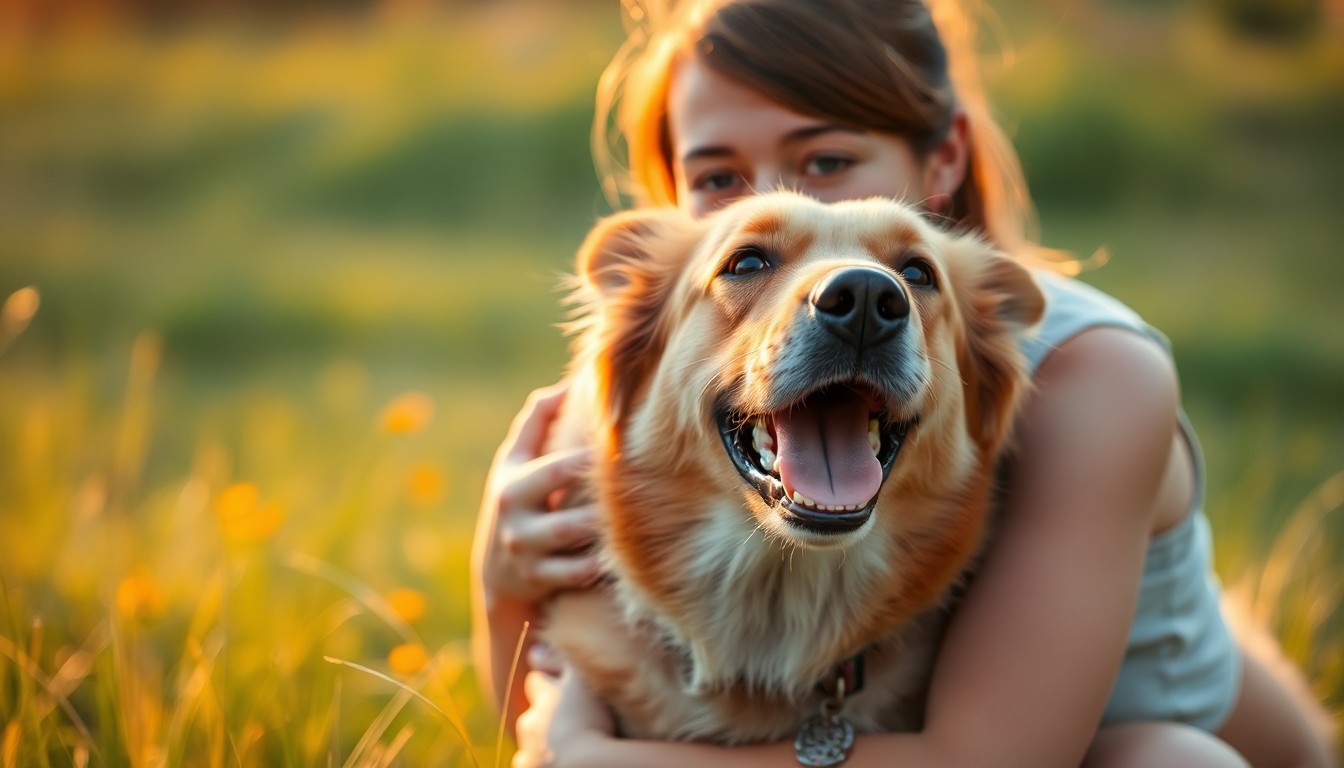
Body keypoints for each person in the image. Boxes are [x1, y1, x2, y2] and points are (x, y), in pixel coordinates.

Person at [470, 0, 1336, 765]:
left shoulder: (1085, 374)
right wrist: (499, 578)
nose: (844, 291)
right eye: (721, 182)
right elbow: (529, 720)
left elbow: (992, 756)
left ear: (945, 156)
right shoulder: (657, 383)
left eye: (829, 160)